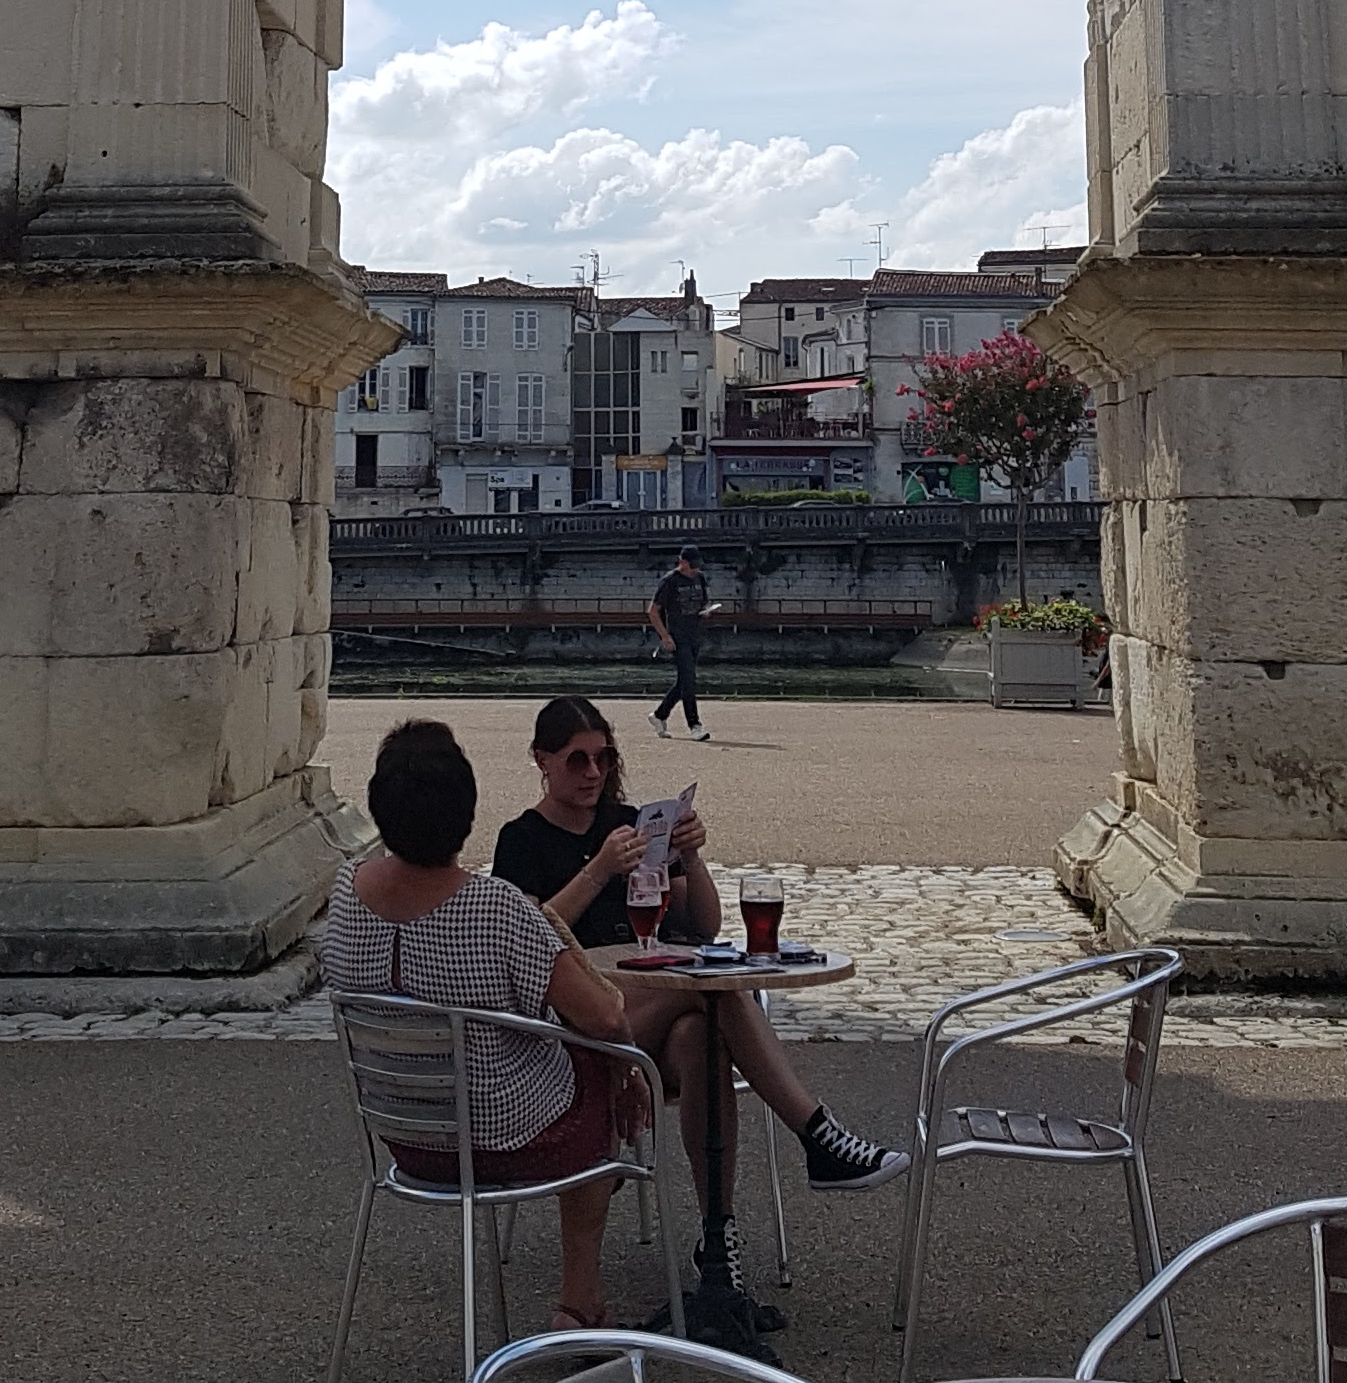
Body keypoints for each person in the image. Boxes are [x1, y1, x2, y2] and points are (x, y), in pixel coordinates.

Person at [488, 696, 906, 1194]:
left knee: (700, 1039)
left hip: (648, 1015)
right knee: (713, 988)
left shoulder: (631, 823)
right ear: (542, 760)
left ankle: (717, 1228)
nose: (593, 772)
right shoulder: (522, 839)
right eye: (577, 760)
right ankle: (817, 1134)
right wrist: (598, 871)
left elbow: (703, 926)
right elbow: (527, 939)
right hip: (578, 1027)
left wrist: (691, 858)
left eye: (604, 758)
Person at [319, 718, 649, 1330]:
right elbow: (603, 1016)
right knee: (596, 1070)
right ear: (465, 810)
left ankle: (581, 1302)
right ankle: (580, 1300)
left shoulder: (346, 890)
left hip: (404, 1134)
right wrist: (629, 1071)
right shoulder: (494, 907)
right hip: (501, 1137)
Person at [647, 550, 724, 738]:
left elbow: (704, 603)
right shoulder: (669, 581)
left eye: (697, 566)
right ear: (681, 562)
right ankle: (694, 725)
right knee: (689, 680)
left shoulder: (700, 578)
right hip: (677, 636)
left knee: (684, 681)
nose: (694, 570)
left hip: (695, 634)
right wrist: (665, 636)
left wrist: (706, 611)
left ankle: (659, 715)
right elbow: (653, 611)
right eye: (692, 566)